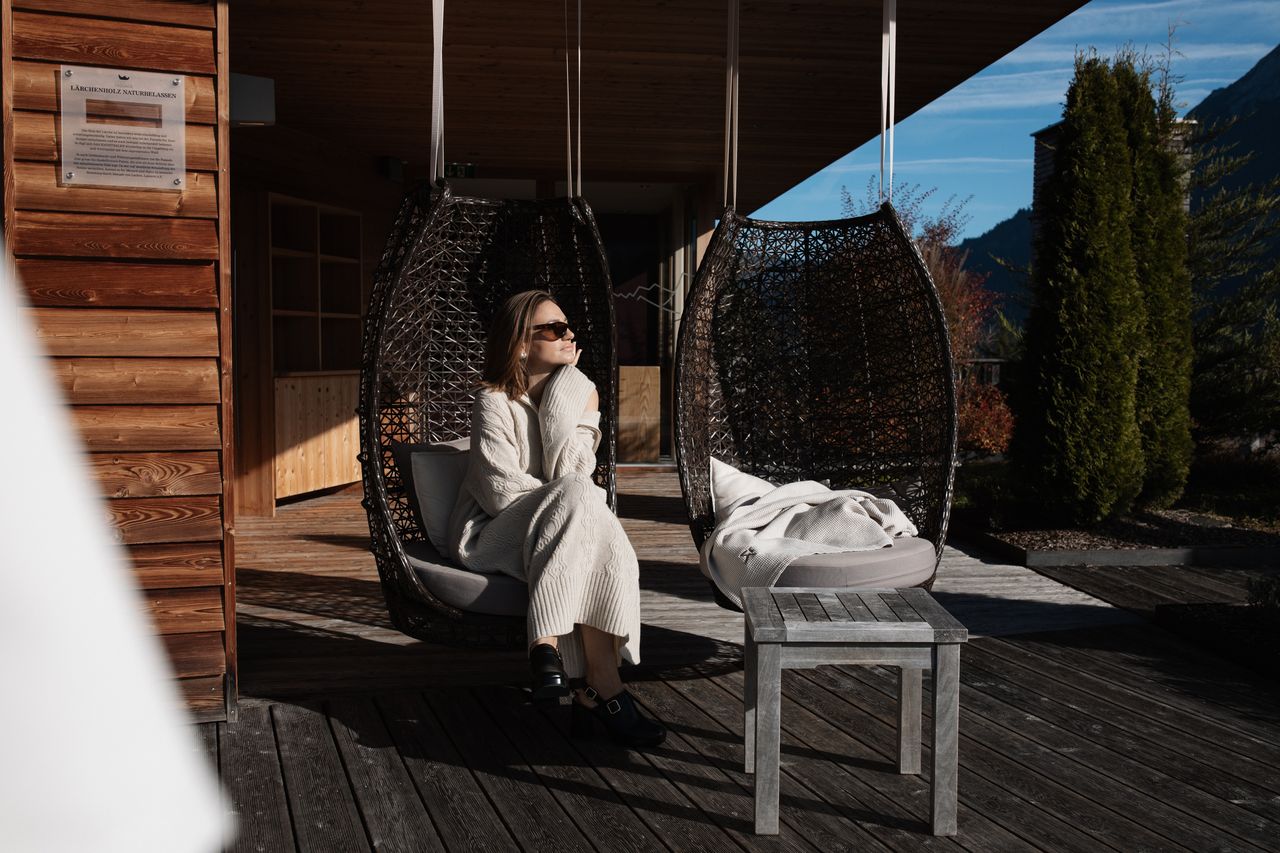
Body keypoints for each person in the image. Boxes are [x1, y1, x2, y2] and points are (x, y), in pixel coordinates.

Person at [447, 290, 665, 748]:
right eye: (554, 329)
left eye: (568, 327)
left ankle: (551, 654)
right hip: (493, 535)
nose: (569, 335)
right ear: (521, 345)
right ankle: (604, 687)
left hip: (556, 532)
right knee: (582, 501)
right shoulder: (492, 401)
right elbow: (500, 493)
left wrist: (565, 400)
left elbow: (571, 471)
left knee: (580, 500)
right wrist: (562, 499)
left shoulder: (576, 395)